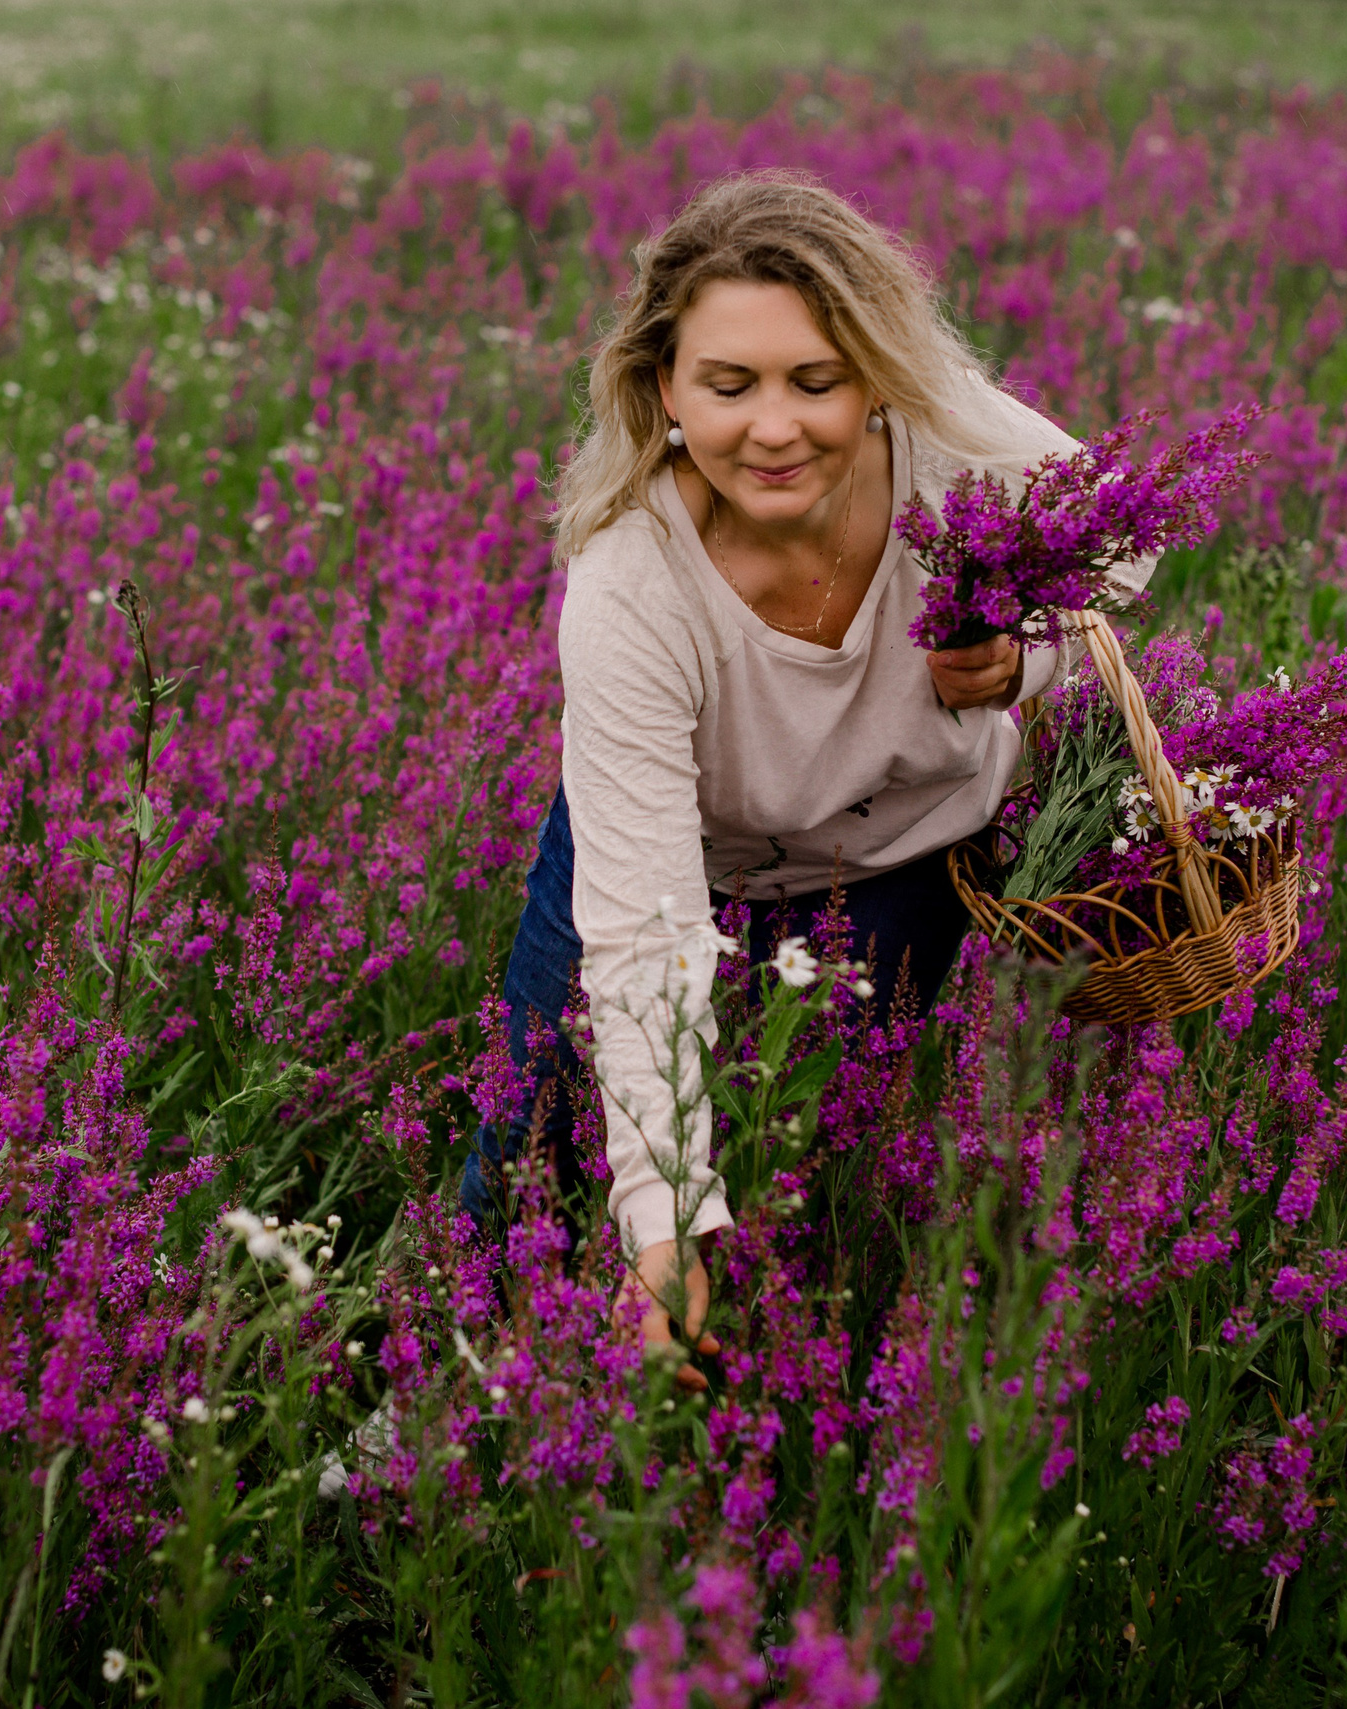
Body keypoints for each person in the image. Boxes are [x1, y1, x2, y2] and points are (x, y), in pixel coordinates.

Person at [459, 171, 1152, 1387]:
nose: (771, 427)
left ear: (877, 377)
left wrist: (1019, 661)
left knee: (806, 1154)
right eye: (727, 386)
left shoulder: (952, 447)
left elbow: (1126, 535)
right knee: (534, 1146)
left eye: (814, 383)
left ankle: (762, 1429)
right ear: (663, 387)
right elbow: (644, 933)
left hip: (896, 862)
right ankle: (439, 1407)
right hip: (674, 857)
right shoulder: (632, 589)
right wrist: (665, 1224)